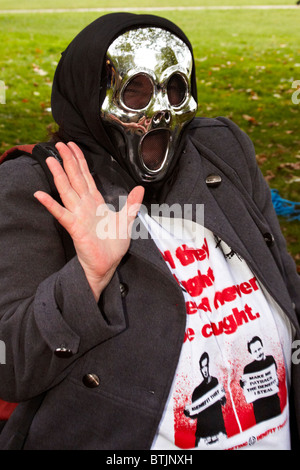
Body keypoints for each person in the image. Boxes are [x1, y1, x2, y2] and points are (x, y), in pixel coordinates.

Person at [0, 12, 299, 450]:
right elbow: (10, 367)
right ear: (88, 95)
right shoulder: (41, 187)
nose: (160, 110)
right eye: (134, 90)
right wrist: (87, 277)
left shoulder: (223, 153)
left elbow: (285, 285)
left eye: (175, 88)